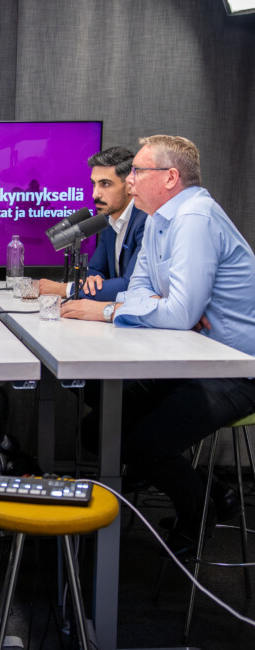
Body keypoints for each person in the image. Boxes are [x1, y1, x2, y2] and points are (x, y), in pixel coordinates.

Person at [61, 135, 255, 556]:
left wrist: (115, 312)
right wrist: (159, 307)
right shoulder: (159, 218)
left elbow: (178, 313)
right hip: (189, 359)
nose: (129, 181)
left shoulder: (195, 217)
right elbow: (139, 291)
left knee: (145, 446)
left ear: (170, 177)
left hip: (234, 367)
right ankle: (214, 492)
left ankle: (198, 512)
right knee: (100, 429)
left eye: (137, 172)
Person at [38, 147, 147, 301]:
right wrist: (93, 280)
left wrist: (66, 289)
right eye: (94, 184)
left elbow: (131, 285)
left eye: (105, 184)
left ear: (129, 185)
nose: (95, 194)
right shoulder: (110, 218)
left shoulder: (145, 220)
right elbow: (96, 269)